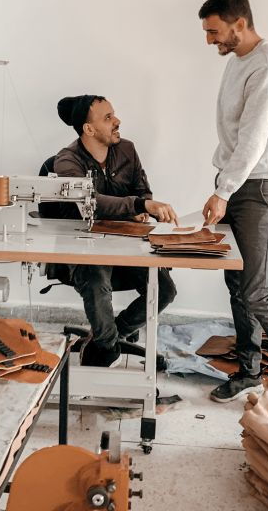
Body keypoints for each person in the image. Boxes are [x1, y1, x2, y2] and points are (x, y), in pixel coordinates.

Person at [198, 0, 268, 402]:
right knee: (237, 284)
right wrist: (223, 185)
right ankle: (249, 372)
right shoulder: (239, 60)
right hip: (235, 181)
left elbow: (254, 140)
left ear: (239, 23)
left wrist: (224, 192)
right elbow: (236, 135)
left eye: (214, 31)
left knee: (258, 289)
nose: (210, 40)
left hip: (260, 188)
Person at [49, 95, 179, 367]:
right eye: (107, 118)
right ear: (89, 129)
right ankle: (107, 348)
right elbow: (90, 200)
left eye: (114, 115)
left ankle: (108, 338)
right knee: (97, 280)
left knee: (165, 290)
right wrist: (139, 204)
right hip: (85, 248)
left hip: (127, 245)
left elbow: (143, 191)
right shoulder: (67, 161)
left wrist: (143, 205)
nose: (117, 121)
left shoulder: (127, 150)